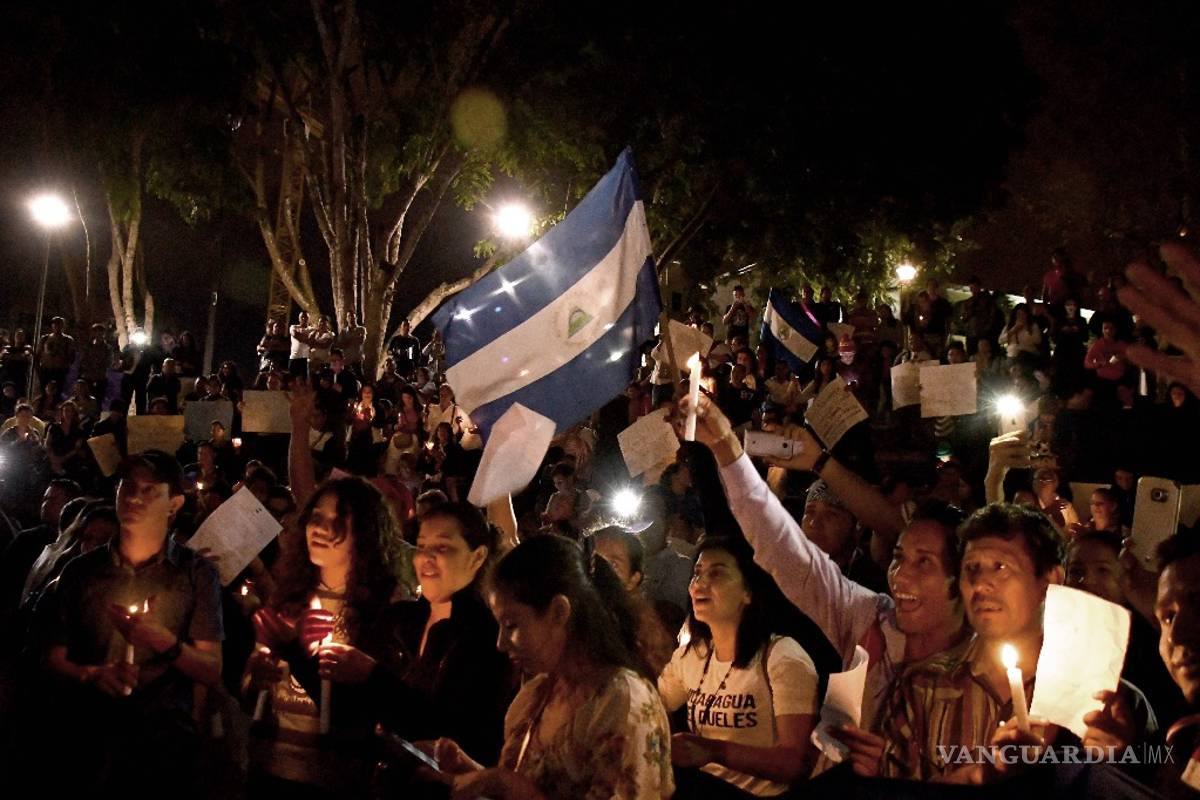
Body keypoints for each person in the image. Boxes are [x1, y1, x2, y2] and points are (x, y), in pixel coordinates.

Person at [680, 393, 968, 772]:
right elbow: (777, 540)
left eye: (924, 562)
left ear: (963, 577)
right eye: (898, 558)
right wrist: (723, 445)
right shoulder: (870, 618)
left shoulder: (980, 663)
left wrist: (899, 766)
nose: (902, 576)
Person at [423, 535, 673, 800]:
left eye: (511, 625)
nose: (500, 643)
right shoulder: (538, 694)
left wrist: (502, 783)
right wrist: (472, 775)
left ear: (559, 612)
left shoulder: (622, 703)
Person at [40, 451, 223, 794]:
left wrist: (161, 640)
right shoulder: (81, 571)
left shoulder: (196, 574)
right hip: (88, 735)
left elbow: (211, 668)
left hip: (164, 742)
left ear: (174, 503)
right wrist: (92, 674)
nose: (135, 498)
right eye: (128, 486)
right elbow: (52, 655)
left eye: (150, 490)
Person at [244, 476, 402, 797]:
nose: (320, 528)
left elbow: (376, 702)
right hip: (270, 767)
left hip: (335, 777)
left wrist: (301, 652)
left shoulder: (383, 607)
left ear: (365, 532)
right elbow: (251, 688)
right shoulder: (289, 597)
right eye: (316, 517)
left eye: (338, 519)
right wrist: (255, 676)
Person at [658, 536, 819, 798]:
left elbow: (794, 762)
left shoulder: (782, 657)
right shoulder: (693, 656)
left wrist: (713, 750)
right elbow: (655, 703)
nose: (699, 584)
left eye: (717, 574)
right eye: (697, 573)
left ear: (748, 592)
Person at [369, 502, 514, 764]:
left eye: (443, 547)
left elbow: (452, 731)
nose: (426, 557)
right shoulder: (399, 620)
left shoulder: (488, 638)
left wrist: (371, 675)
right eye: (422, 546)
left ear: (477, 557)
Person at [35, 316, 76, 400]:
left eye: (60, 324)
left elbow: (72, 356)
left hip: (59, 371)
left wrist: (65, 365)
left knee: (58, 394)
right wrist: (38, 370)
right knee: (44, 393)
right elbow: (38, 355)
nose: (57, 326)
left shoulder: (68, 340)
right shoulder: (45, 338)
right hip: (46, 370)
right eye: (55, 324)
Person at [336, 311, 367, 378]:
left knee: (360, 378)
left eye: (353, 316)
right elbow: (339, 345)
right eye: (349, 316)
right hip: (347, 360)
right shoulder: (344, 331)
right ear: (347, 318)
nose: (351, 318)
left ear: (356, 318)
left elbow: (361, 340)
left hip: (357, 360)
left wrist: (347, 341)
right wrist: (353, 339)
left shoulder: (361, 329)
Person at [289, 311, 314, 378]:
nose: (304, 318)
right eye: (302, 317)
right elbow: (296, 335)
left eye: (306, 317)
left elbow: (313, 342)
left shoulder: (312, 329)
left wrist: (305, 338)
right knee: (292, 380)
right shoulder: (293, 327)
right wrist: (308, 339)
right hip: (294, 358)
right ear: (299, 318)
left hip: (305, 359)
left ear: (309, 318)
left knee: (304, 380)